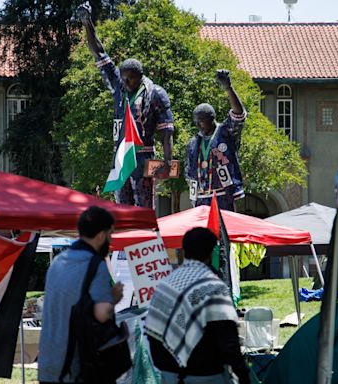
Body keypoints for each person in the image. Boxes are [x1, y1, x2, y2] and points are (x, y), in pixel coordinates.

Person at [79, 1, 174, 208]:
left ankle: (145, 239)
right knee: (122, 207)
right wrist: (88, 24)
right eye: (122, 78)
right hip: (121, 155)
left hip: (143, 156)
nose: (125, 82)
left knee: (143, 207)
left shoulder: (156, 93)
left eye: (129, 78)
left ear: (139, 76)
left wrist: (167, 163)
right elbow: (99, 53)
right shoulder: (118, 88)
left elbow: (167, 133)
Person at [146, 227, 250, 384]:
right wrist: (242, 375)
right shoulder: (213, 287)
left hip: (169, 375)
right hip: (206, 376)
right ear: (210, 253)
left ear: (184, 250)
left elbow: (153, 331)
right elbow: (228, 340)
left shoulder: (165, 285)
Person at [38, 206, 124, 384]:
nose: (110, 239)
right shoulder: (94, 264)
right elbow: (102, 314)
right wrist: (114, 298)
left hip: (48, 362)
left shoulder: (58, 262)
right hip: (75, 366)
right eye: (110, 234)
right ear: (101, 235)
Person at [185, 69, 247, 211]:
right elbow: (189, 172)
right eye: (196, 121)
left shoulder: (225, 133)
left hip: (223, 196)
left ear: (212, 118)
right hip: (201, 198)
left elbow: (238, 116)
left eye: (201, 121)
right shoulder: (193, 143)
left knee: (223, 232)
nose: (198, 125)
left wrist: (228, 88)